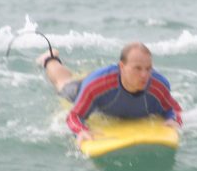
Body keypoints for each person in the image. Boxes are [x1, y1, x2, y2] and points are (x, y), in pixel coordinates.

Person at [38, 42, 183, 143]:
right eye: (137, 68)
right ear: (122, 67)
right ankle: (49, 59)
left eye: (148, 68)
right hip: (89, 88)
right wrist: (81, 130)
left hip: (104, 84)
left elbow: (174, 108)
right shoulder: (96, 86)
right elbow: (74, 116)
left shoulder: (158, 85)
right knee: (63, 82)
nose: (144, 75)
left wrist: (174, 119)